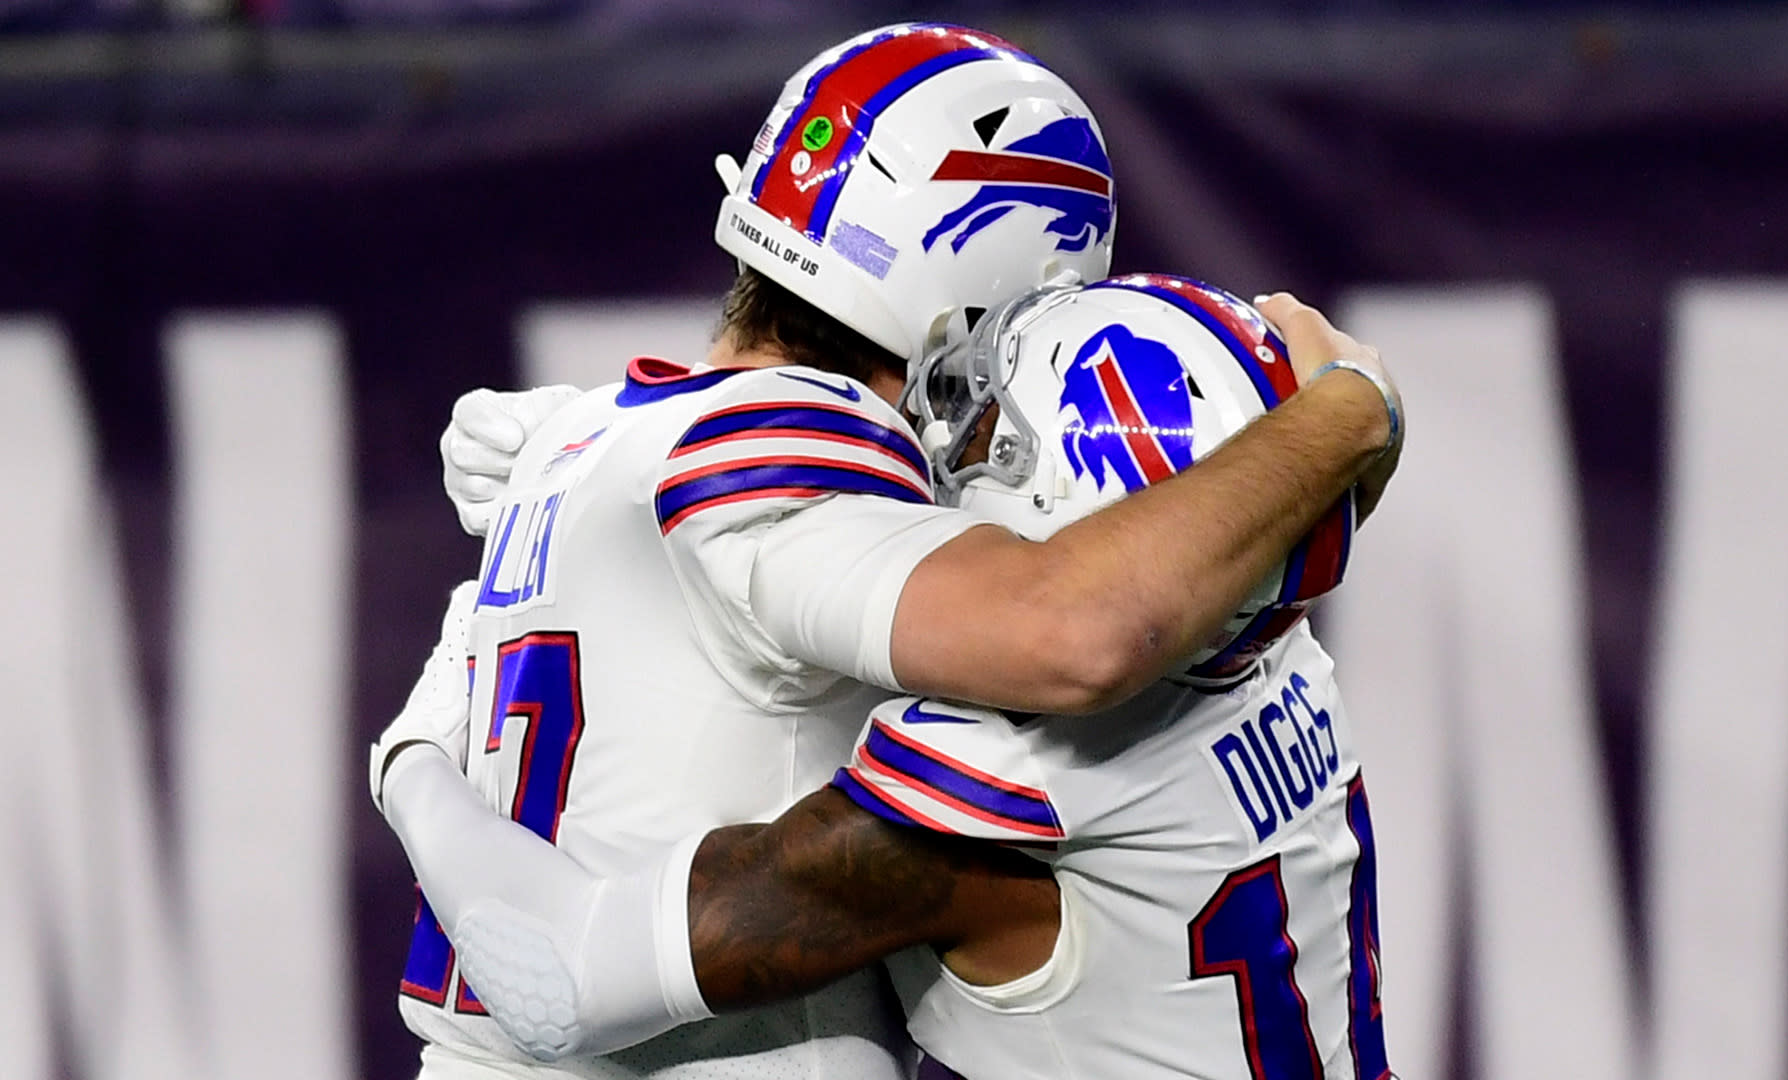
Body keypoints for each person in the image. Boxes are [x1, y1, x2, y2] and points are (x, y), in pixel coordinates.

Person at [377, 19, 1400, 1080]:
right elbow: (1206, 539)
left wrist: (412, 751)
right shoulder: (1278, 649)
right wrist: (1342, 417)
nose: (966, 447)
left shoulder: (993, 767)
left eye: (1004, 434)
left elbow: (569, 973)